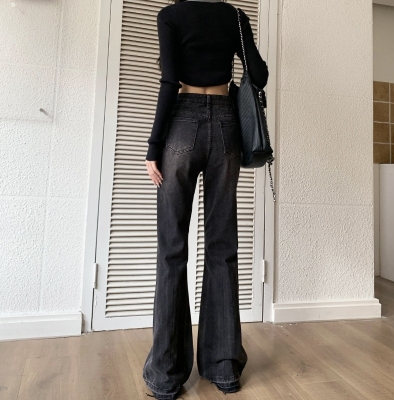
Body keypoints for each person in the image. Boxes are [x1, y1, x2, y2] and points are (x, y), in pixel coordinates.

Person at [143, 0, 269, 399]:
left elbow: (169, 81)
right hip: (227, 126)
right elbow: (259, 75)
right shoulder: (233, 14)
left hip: (181, 125)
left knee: (171, 249)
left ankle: (166, 376)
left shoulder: (171, 16)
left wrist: (153, 146)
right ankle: (224, 367)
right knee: (222, 246)